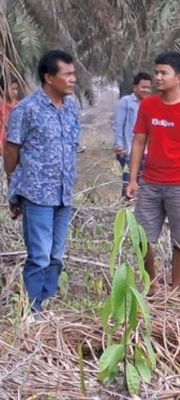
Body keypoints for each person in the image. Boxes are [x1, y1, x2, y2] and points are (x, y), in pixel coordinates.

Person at [4, 50, 80, 312]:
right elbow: (11, 149)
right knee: (39, 256)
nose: (73, 79)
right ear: (49, 77)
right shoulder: (27, 110)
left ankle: (46, 306)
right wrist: (14, 186)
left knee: (56, 256)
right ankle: (33, 312)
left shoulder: (71, 108)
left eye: (73, 73)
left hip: (63, 193)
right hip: (36, 194)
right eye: (67, 74)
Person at [126, 51, 180, 294]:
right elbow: (138, 142)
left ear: (178, 77)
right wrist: (133, 179)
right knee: (141, 237)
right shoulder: (148, 106)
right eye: (156, 72)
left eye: (163, 73)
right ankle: (152, 284)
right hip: (150, 183)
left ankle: (176, 291)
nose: (157, 77)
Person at [112, 72, 152, 198]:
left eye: (148, 88)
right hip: (128, 149)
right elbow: (118, 124)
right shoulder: (126, 102)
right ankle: (125, 210)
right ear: (135, 87)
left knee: (143, 183)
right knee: (128, 181)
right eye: (143, 87)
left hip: (145, 151)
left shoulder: (150, 104)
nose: (146, 90)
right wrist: (119, 145)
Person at [0, 76, 20, 159]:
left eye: (16, 89)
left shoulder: (20, 105)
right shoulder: (1, 106)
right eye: (12, 89)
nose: (15, 92)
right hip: (3, 144)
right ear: (4, 89)